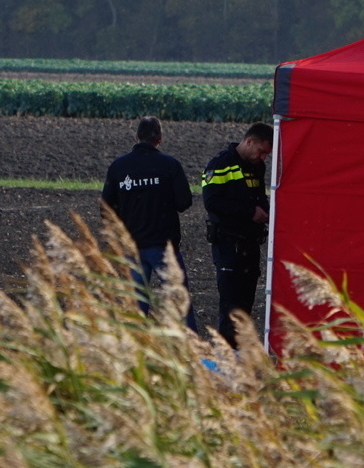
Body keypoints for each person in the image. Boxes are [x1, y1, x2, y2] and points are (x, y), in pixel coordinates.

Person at [102, 116, 198, 330]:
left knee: (135, 308)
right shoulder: (170, 165)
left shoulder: (119, 167)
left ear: (136, 137)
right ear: (159, 139)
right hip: (165, 247)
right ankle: (193, 351)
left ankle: (134, 353)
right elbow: (184, 202)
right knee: (178, 301)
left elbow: (106, 209)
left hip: (132, 247)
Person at [202, 122, 273, 347]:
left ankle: (240, 355)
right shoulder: (220, 164)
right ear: (249, 141)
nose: (262, 157)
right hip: (228, 245)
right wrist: (250, 212)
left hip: (250, 245)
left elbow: (259, 197)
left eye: (266, 154)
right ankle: (225, 357)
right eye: (261, 151)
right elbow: (211, 202)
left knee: (246, 306)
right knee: (230, 306)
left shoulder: (257, 168)